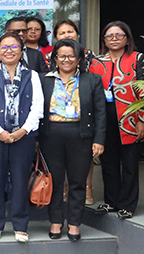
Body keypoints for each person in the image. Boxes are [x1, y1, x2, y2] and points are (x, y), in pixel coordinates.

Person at [0, 32, 44, 242]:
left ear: (21, 50)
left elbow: (37, 108)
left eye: (13, 47)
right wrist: (1, 132)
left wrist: (22, 131)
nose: (9, 51)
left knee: (19, 179)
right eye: (4, 47)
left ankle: (20, 225)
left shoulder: (32, 75)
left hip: (23, 136)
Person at [40, 39, 106, 242]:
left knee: (78, 182)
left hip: (81, 135)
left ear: (79, 59)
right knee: (55, 181)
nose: (66, 60)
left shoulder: (91, 80)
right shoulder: (44, 79)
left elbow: (100, 113)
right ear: (55, 58)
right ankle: (56, 221)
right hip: (51, 135)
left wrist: (99, 140)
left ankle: (75, 223)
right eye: (62, 56)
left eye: (71, 56)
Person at [90, 21, 144, 220]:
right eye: (109, 35)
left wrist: (142, 120)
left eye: (118, 35)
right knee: (108, 160)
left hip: (130, 117)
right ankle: (111, 201)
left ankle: (128, 204)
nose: (114, 39)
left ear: (127, 38)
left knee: (130, 162)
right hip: (104, 117)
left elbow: (143, 90)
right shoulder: (96, 62)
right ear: (103, 39)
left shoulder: (137, 58)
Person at [51, 19, 99, 204]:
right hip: (58, 117)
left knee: (84, 159)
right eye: (62, 33)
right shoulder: (51, 56)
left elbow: (94, 81)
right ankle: (63, 188)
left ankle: (87, 188)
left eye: (70, 31)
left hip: (83, 112)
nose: (66, 35)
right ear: (56, 36)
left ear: (77, 33)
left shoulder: (89, 55)